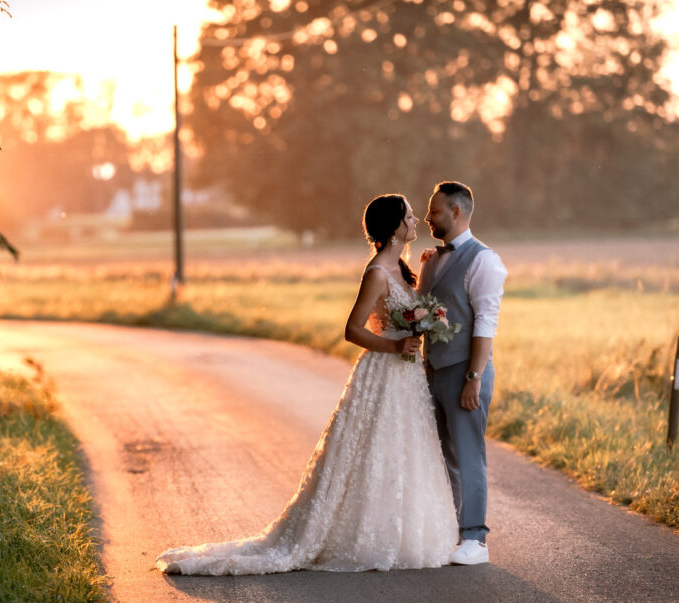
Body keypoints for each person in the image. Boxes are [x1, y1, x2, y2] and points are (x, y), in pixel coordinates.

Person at [156, 194, 458, 575]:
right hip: (383, 371)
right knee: (373, 451)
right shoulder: (377, 273)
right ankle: (361, 535)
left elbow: (408, 309)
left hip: (407, 375)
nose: (416, 220)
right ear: (393, 228)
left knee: (403, 450)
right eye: (410, 216)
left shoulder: (401, 267)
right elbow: (352, 330)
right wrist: (395, 344)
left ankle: (405, 532)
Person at [418, 181, 508, 566]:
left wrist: (473, 377)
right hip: (433, 371)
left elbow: (486, 324)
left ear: (456, 213)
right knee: (443, 456)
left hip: (465, 374)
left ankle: (476, 540)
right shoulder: (433, 259)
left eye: (434, 212)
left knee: (469, 455)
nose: (428, 218)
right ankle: (452, 530)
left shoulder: (485, 260)